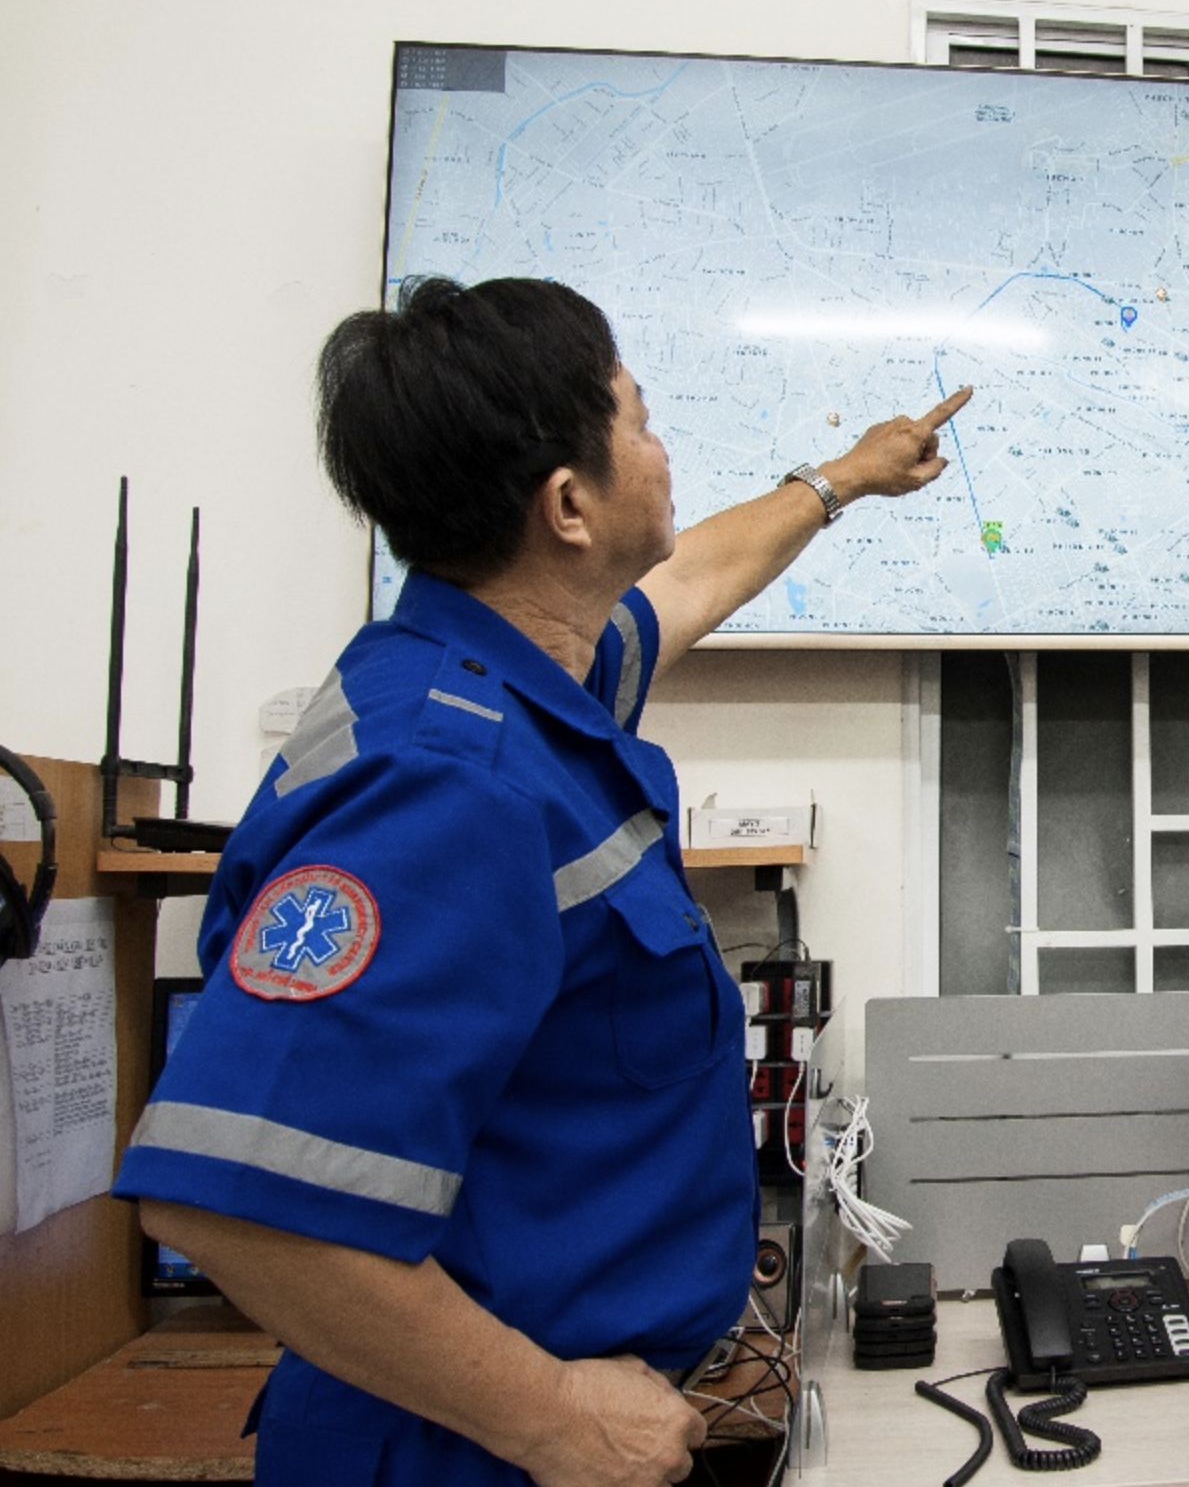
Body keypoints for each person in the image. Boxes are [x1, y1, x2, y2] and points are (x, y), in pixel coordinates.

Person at [112, 275, 969, 1487]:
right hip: (468, 1452)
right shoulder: (450, 784)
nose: (663, 451)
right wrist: (553, 1417)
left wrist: (844, 477)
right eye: (640, 420)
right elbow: (236, 1203)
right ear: (570, 505)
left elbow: (689, 585)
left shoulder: (512, 674)